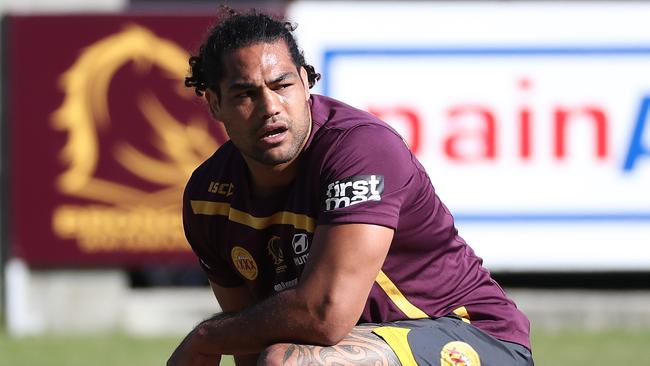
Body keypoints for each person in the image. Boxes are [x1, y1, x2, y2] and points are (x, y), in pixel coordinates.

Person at [169, 8, 533, 366]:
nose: (270, 107)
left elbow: (325, 315)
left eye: (282, 86)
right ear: (214, 104)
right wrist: (219, 338)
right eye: (245, 95)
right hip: (364, 346)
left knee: (291, 362)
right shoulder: (208, 198)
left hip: (471, 338)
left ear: (306, 82)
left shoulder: (360, 150)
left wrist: (207, 336)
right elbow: (248, 342)